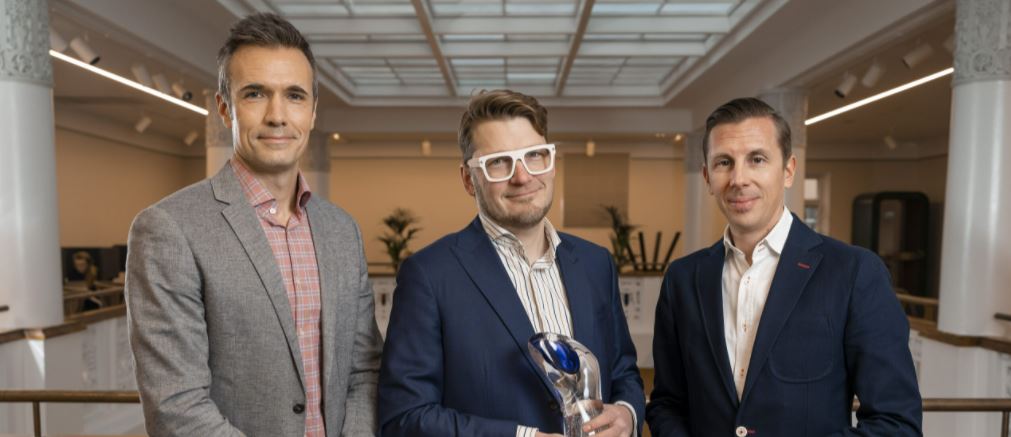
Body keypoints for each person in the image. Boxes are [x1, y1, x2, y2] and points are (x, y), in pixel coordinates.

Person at [126, 13, 381, 437]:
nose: (277, 116)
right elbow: (176, 407)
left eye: (295, 95)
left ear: (313, 111)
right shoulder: (168, 230)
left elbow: (365, 371)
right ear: (224, 107)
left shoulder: (342, 230)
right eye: (256, 94)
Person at [646, 97, 922, 436]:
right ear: (707, 177)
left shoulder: (854, 273)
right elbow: (667, 404)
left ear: (788, 170)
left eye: (757, 159)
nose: (739, 179)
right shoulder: (682, 279)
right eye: (724, 162)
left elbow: (896, 424)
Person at [378, 89, 645, 437]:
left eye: (534, 155)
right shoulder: (429, 276)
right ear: (468, 179)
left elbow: (624, 373)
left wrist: (627, 414)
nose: (522, 176)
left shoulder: (596, 264)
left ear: (551, 161)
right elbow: (405, 417)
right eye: (499, 162)